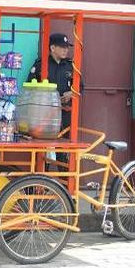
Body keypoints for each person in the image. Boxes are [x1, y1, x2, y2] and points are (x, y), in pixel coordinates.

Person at [27, 32, 80, 169]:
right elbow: (29, 87)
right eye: (62, 47)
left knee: (64, 152)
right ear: (52, 48)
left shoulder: (70, 65)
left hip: (65, 115)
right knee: (42, 153)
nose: (65, 50)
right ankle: (39, 187)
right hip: (45, 115)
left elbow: (81, 87)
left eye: (67, 47)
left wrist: (71, 93)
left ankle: (65, 188)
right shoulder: (41, 64)